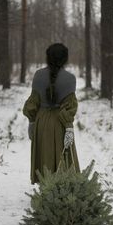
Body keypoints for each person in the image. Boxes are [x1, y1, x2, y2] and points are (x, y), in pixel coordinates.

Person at [23, 43, 80, 184]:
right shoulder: (70, 78)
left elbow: (33, 102)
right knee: (63, 156)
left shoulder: (38, 75)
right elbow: (69, 107)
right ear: (64, 59)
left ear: (48, 57)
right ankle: (63, 187)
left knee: (44, 154)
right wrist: (68, 127)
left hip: (41, 122)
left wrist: (31, 122)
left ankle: (45, 188)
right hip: (60, 122)